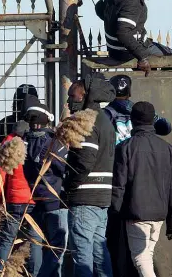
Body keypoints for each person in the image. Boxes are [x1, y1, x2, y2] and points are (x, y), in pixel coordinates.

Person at [112, 101, 172, 277]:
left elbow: (119, 185)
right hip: (159, 214)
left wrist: (113, 212)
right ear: (153, 120)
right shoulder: (166, 149)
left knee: (140, 259)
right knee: (147, 255)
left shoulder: (125, 148)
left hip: (136, 213)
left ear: (133, 120)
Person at [61, 74, 116, 277]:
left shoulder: (87, 123)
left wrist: (68, 187)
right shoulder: (105, 122)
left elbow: (84, 162)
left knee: (82, 254)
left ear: (86, 96)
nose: (68, 102)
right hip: (101, 198)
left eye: (73, 97)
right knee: (99, 253)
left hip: (85, 199)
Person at [95, 0, 172, 75]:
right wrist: (142, 57)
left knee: (154, 65)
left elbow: (99, 9)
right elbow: (123, 33)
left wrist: (112, 22)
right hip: (127, 51)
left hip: (113, 50)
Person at [21, 96, 69, 277]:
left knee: (35, 242)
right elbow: (64, 167)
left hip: (33, 199)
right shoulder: (53, 142)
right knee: (58, 244)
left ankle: (35, 273)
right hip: (54, 200)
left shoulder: (24, 142)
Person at [0, 118, 39, 275]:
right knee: (35, 241)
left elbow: (0, 177)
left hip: (13, 200)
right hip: (32, 200)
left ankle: (1, 271)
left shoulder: (8, 146)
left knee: (7, 239)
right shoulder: (34, 143)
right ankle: (35, 273)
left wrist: (0, 199)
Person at [104, 75, 171, 145]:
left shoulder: (104, 114)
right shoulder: (141, 111)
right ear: (129, 93)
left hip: (116, 154)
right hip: (139, 152)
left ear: (110, 92)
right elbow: (166, 128)